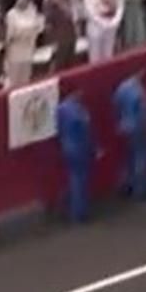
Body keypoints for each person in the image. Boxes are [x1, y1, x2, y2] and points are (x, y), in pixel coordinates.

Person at [113, 72, 146, 199]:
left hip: (125, 127)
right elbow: (144, 112)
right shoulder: (139, 91)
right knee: (141, 157)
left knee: (130, 156)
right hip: (139, 126)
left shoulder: (120, 89)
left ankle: (125, 184)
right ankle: (140, 190)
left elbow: (116, 107)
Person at [56, 94, 95, 223]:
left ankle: (73, 210)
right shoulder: (79, 111)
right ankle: (80, 211)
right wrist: (93, 147)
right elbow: (85, 130)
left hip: (66, 147)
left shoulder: (59, 109)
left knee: (74, 178)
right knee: (81, 180)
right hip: (80, 147)